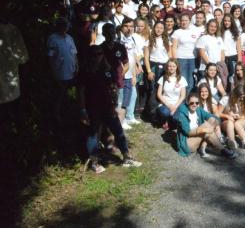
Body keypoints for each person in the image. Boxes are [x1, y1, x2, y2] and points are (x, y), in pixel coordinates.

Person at [80, 41, 142, 172]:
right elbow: (81, 92)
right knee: (93, 134)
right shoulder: (85, 72)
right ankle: (94, 162)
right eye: (94, 54)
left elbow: (114, 87)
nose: (97, 56)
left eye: (99, 53)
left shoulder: (107, 69)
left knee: (118, 131)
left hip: (108, 107)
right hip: (92, 108)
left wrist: (114, 104)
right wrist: (83, 110)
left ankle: (127, 157)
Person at [174, 93, 237, 159]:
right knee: (206, 127)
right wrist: (204, 130)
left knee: (210, 123)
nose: (194, 105)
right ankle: (222, 150)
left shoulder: (198, 109)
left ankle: (208, 148)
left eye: (197, 103)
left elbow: (214, 118)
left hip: (198, 136)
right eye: (192, 103)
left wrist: (212, 125)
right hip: (188, 143)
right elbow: (188, 132)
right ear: (187, 102)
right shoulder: (182, 112)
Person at [47, 17, 78, 122]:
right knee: (59, 96)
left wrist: (77, 66)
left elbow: (74, 53)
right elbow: (50, 57)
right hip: (60, 73)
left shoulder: (69, 38)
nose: (65, 26)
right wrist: (53, 73)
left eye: (66, 24)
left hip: (71, 72)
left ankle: (69, 115)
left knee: (70, 95)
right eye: (63, 24)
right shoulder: (52, 38)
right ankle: (56, 117)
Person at [170, 14, 200, 91]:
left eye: (186, 20)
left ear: (189, 21)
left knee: (191, 79)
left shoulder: (195, 31)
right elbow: (174, 47)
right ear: (180, 22)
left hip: (193, 59)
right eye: (182, 20)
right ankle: (183, 96)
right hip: (181, 58)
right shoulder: (177, 32)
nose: (184, 22)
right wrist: (175, 60)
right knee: (182, 79)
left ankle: (189, 96)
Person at [155, 60, 187, 130]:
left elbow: (183, 96)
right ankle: (164, 120)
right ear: (167, 67)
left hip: (177, 104)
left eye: (173, 66)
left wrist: (175, 106)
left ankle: (171, 121)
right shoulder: (163, 78)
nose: (171, 68)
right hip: (165, 104)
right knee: (165, 112)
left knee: (176, 118)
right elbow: (159, 94)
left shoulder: (182, 79)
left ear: (177, 67)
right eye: (169, 66)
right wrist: (169, 105)